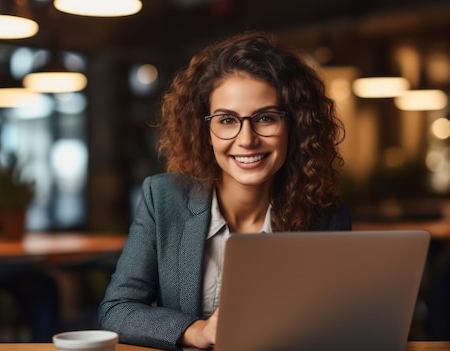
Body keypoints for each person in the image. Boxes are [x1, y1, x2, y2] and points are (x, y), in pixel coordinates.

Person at [98, 32, 352, 350]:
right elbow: (117, 310)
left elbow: (340, 324)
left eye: (266, 118)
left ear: (295, 126)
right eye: (227, 120)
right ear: (205, 131)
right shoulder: (163, 200)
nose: (246, 139)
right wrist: (198, 331)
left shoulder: (326, 214)